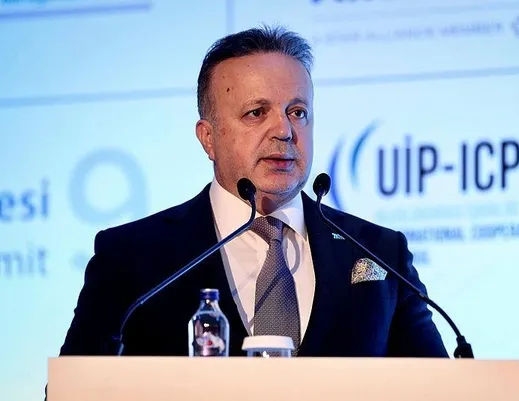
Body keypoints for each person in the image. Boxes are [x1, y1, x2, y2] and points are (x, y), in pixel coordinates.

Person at [58, 25, 449, 358]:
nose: (284, 130)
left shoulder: (380, 253)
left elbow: (440, 388)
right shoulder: (131, 258)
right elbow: (71, 390)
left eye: (298, 112)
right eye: (256, 112)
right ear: (208, 138)